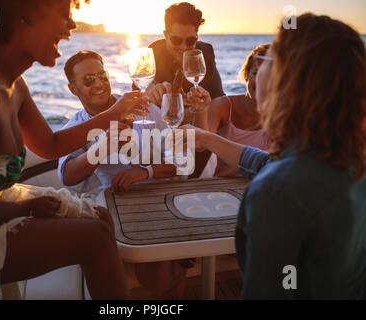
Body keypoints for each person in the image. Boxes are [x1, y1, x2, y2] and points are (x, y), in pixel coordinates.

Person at [0, 0, 148, 299]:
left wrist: (115, 112)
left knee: (100, 216)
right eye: (64, 16)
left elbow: (50, 146)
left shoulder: (13, 82)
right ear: (24, 18)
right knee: (97, 238)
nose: (71, 26)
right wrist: (24, 208)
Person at [182, 13, 366, 299]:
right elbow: (268, 163)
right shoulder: (348, 158)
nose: (259, 65)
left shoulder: (277, 193)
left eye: (274, 56)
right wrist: (207, 138)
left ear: (295, 84)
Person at [58, 50, 197, 298]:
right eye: (89, 80)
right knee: (149, 274)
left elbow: (184, 160)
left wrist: (145, 171)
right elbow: (67, 176)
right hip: (116, 207)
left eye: (102, 75)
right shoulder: (76, 127)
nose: (100, 83)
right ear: (73, 89)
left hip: (159, 195)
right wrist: (102, 148)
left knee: (157, 277)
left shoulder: (141, 106)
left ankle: (179, 261)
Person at [142, 2, 225, 107]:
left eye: (190, 40)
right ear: (166, 35)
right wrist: (149, 89)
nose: (184, 47)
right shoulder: (153, 52)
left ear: (197, 37)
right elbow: (138, 91)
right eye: (176, 40)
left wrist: (204, 100)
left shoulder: (205, 53)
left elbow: (219, 97)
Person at [206, 44, 271, 176]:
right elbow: (201, 148)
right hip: (217, 186)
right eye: (256, 73)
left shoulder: (280, 117)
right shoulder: (222, 107)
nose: (261, 81)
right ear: (246, 75)